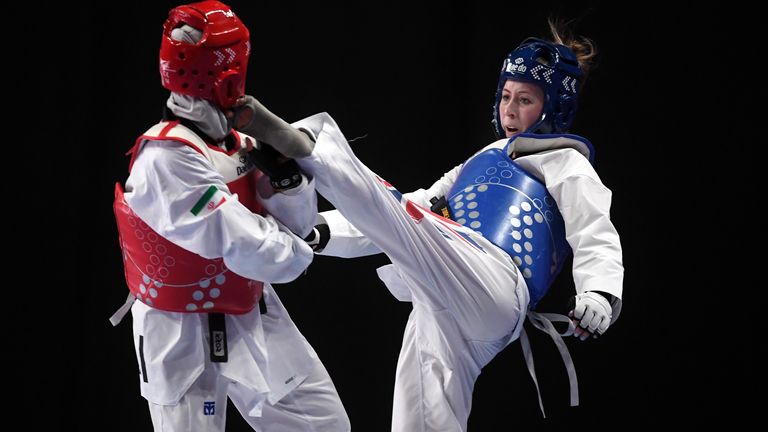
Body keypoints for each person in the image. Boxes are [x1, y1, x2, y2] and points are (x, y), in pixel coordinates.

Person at [234, 19, 623, 431]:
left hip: (490, 277)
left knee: (401, 222)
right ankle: (315, 173)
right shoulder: (478, 162)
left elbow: (594, 229)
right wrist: (320, 232)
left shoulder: (566, 160)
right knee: (420, 417)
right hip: (449, 307)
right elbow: (409, 207)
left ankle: (310, 148)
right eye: (506, 95)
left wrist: (600, 293)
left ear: (554, 107)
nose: (510, 109)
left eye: (525, 99)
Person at [111, 2, 350, 430]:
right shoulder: (167, 158)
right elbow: (248, 245)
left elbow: (294, 224)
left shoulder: (235, 139)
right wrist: (303, 248)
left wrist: (288, 184)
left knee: (323, 424)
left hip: (249, 309)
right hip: (180, 330)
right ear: (228, 72)